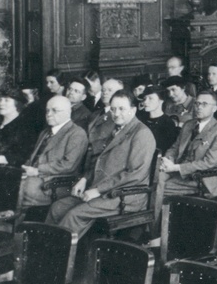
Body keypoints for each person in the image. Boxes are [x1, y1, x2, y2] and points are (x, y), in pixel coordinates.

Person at [47, 91, 156, 237]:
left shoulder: (141, 133)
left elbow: (134, 174)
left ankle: (56, 255)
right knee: (57, 207)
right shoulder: (116, 129)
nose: (116, 113)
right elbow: (99, 160)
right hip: (104, 190)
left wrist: (98, 190)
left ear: (133, 110)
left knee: (75, 214)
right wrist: (85, 179)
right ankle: (45, 248)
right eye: (113, 109)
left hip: (125, 195)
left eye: (122, 109)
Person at [159, 91, 217, 199]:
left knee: (159, 188)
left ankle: (156, 216)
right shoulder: (189, 125)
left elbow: (209, 162)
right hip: (179, 171)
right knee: (154, 179)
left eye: (204, 104)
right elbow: (175, 147)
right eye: (197, 103)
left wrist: (177, 167)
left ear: (214, 108)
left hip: (201, 177)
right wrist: (168, 160)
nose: (199, 107)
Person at [18, 96, 88, 207]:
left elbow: (68, 165)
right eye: (47, 110)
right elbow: (34, 157)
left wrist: (37, 170)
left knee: (18, 188)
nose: (49, 114)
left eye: (54, 110)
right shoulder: (45, 132)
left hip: (56, 183)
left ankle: (14, 223)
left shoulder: (77, 133)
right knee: (9, 182)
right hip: (35, 177)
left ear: (68, 112)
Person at [0, 88, 37, 168]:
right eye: (0, 100)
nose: (1, 103)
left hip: (9, 172)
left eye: (6, 100)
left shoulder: (25, 128)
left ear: (17, 104)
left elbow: (21, 157)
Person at [139, 86, 180, 154]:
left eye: (150, 98)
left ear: (161, 101)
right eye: (144, 98)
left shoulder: (167, 123)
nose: (145, 102)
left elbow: (166, 149)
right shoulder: (140, 119)